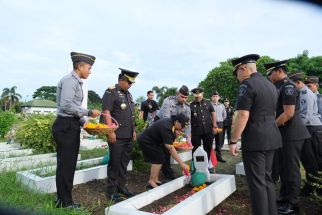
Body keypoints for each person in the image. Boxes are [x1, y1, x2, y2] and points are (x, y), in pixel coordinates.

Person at [229, 54, 282, 215]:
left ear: (243, 68)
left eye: (236, 72)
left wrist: (233, 140)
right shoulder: (270, 84)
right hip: (272, 137)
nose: (237, 76)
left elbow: (243, 115)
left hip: (256, 140)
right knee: (267, 179)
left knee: (257, 183)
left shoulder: (247, 85)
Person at [52, 52, 101, 209]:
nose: (90, 71)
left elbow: (72, 108)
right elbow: (66, 105)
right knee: (66, 165)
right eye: (89, 68)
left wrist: (84, 122)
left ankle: (63, 200)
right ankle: (65, 202)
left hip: (70, 124)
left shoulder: (75, 82)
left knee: (68, 164)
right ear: (80, 66)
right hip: (65, 126)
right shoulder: (69, 81)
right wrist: (88, 112)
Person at [265, 60, 310, 214]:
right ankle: (284, 197)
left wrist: (271, 127)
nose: (269, 76)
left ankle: (292, 203)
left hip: (292, 133)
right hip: (284, 133)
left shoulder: (289, 86)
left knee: (291, 169)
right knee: (284, 168)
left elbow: (288, 113)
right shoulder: (279, 86)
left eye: (270, 73)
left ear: (279, 71)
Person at [101, 68, 139, 201]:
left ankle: (121, 187)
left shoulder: (128, 94)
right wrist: (110, 131)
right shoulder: (111, 92)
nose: (130, 85)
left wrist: (133, 130)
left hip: (128, 135)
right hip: (116, 135)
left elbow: (131, 115)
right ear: (121, 80)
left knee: (124, 163)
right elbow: (107, 112)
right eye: (129, 82)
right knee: (114, 163)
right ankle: (111, 191)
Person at [289, 72, 322, 196]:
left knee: (312, 159)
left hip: (311, 128)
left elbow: (305, 115)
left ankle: (313, 187)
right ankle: (313, 185)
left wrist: (295, 129)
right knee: (311, 159)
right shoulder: (305, 92)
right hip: (311, 128)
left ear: (297, 82)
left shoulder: (305, 93)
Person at [138, 113, 190, 188]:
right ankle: (151, 181)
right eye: (182, 126)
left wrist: (175, 135)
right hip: (147, 141)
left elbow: (169, 141)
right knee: (158, 158)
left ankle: (155, 179)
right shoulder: (167, 127)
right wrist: (181, 163)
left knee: (161, 157)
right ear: (177, 122)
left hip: (154, 141)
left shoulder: (171, 124)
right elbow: (170, 147)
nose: (182, 128)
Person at [155, 85, 191, 180]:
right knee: (165, 146)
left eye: (186, 98)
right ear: (177, 94)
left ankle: (166, 168)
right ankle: (166, 170)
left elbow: (187, 123)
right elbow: (166, 119)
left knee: (168, 147)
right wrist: (175, 131)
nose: (184, 99)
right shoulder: (168, 101)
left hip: (175, 126)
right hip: (161, 123)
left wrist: (188, 137)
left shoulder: (187, 107)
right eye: (182, 96)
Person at [190, 87, 217, 164]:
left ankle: (207, 164)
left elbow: (213, 113)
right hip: (196, 131)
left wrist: (214, 126)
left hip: (208, 129)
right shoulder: (191, 105)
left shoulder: (208, 103)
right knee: (196, 149)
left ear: (202, 94)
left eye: (199, 96)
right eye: (196, 97)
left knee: (208, 147)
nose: (198, 98)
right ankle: (197, 166)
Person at [211, 91, 226, 162]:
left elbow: (224, 115)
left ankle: (219, 157)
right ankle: (210, 157)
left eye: (216, 96)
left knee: (219, 141)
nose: (215, 97)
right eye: (214, 96)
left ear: (219, 97)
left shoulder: (222, 105)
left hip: (220, 124)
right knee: (209, 141)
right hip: (211, 125)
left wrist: (220, 120)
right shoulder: (209, 105)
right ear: (211, 97)